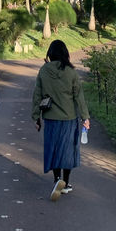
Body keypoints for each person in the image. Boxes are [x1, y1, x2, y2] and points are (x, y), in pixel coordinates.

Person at [32, 39, 90, 201]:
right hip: (69, 118)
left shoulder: (44, 71)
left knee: (54, 149)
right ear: (65, 53)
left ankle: (57, 179)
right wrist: (85, 117)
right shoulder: (71, 73)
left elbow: (37, 95)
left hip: (50, 117)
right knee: (68, 150)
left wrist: (36, 117)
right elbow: (79, 96)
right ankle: (66, 182)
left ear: (50, 53)